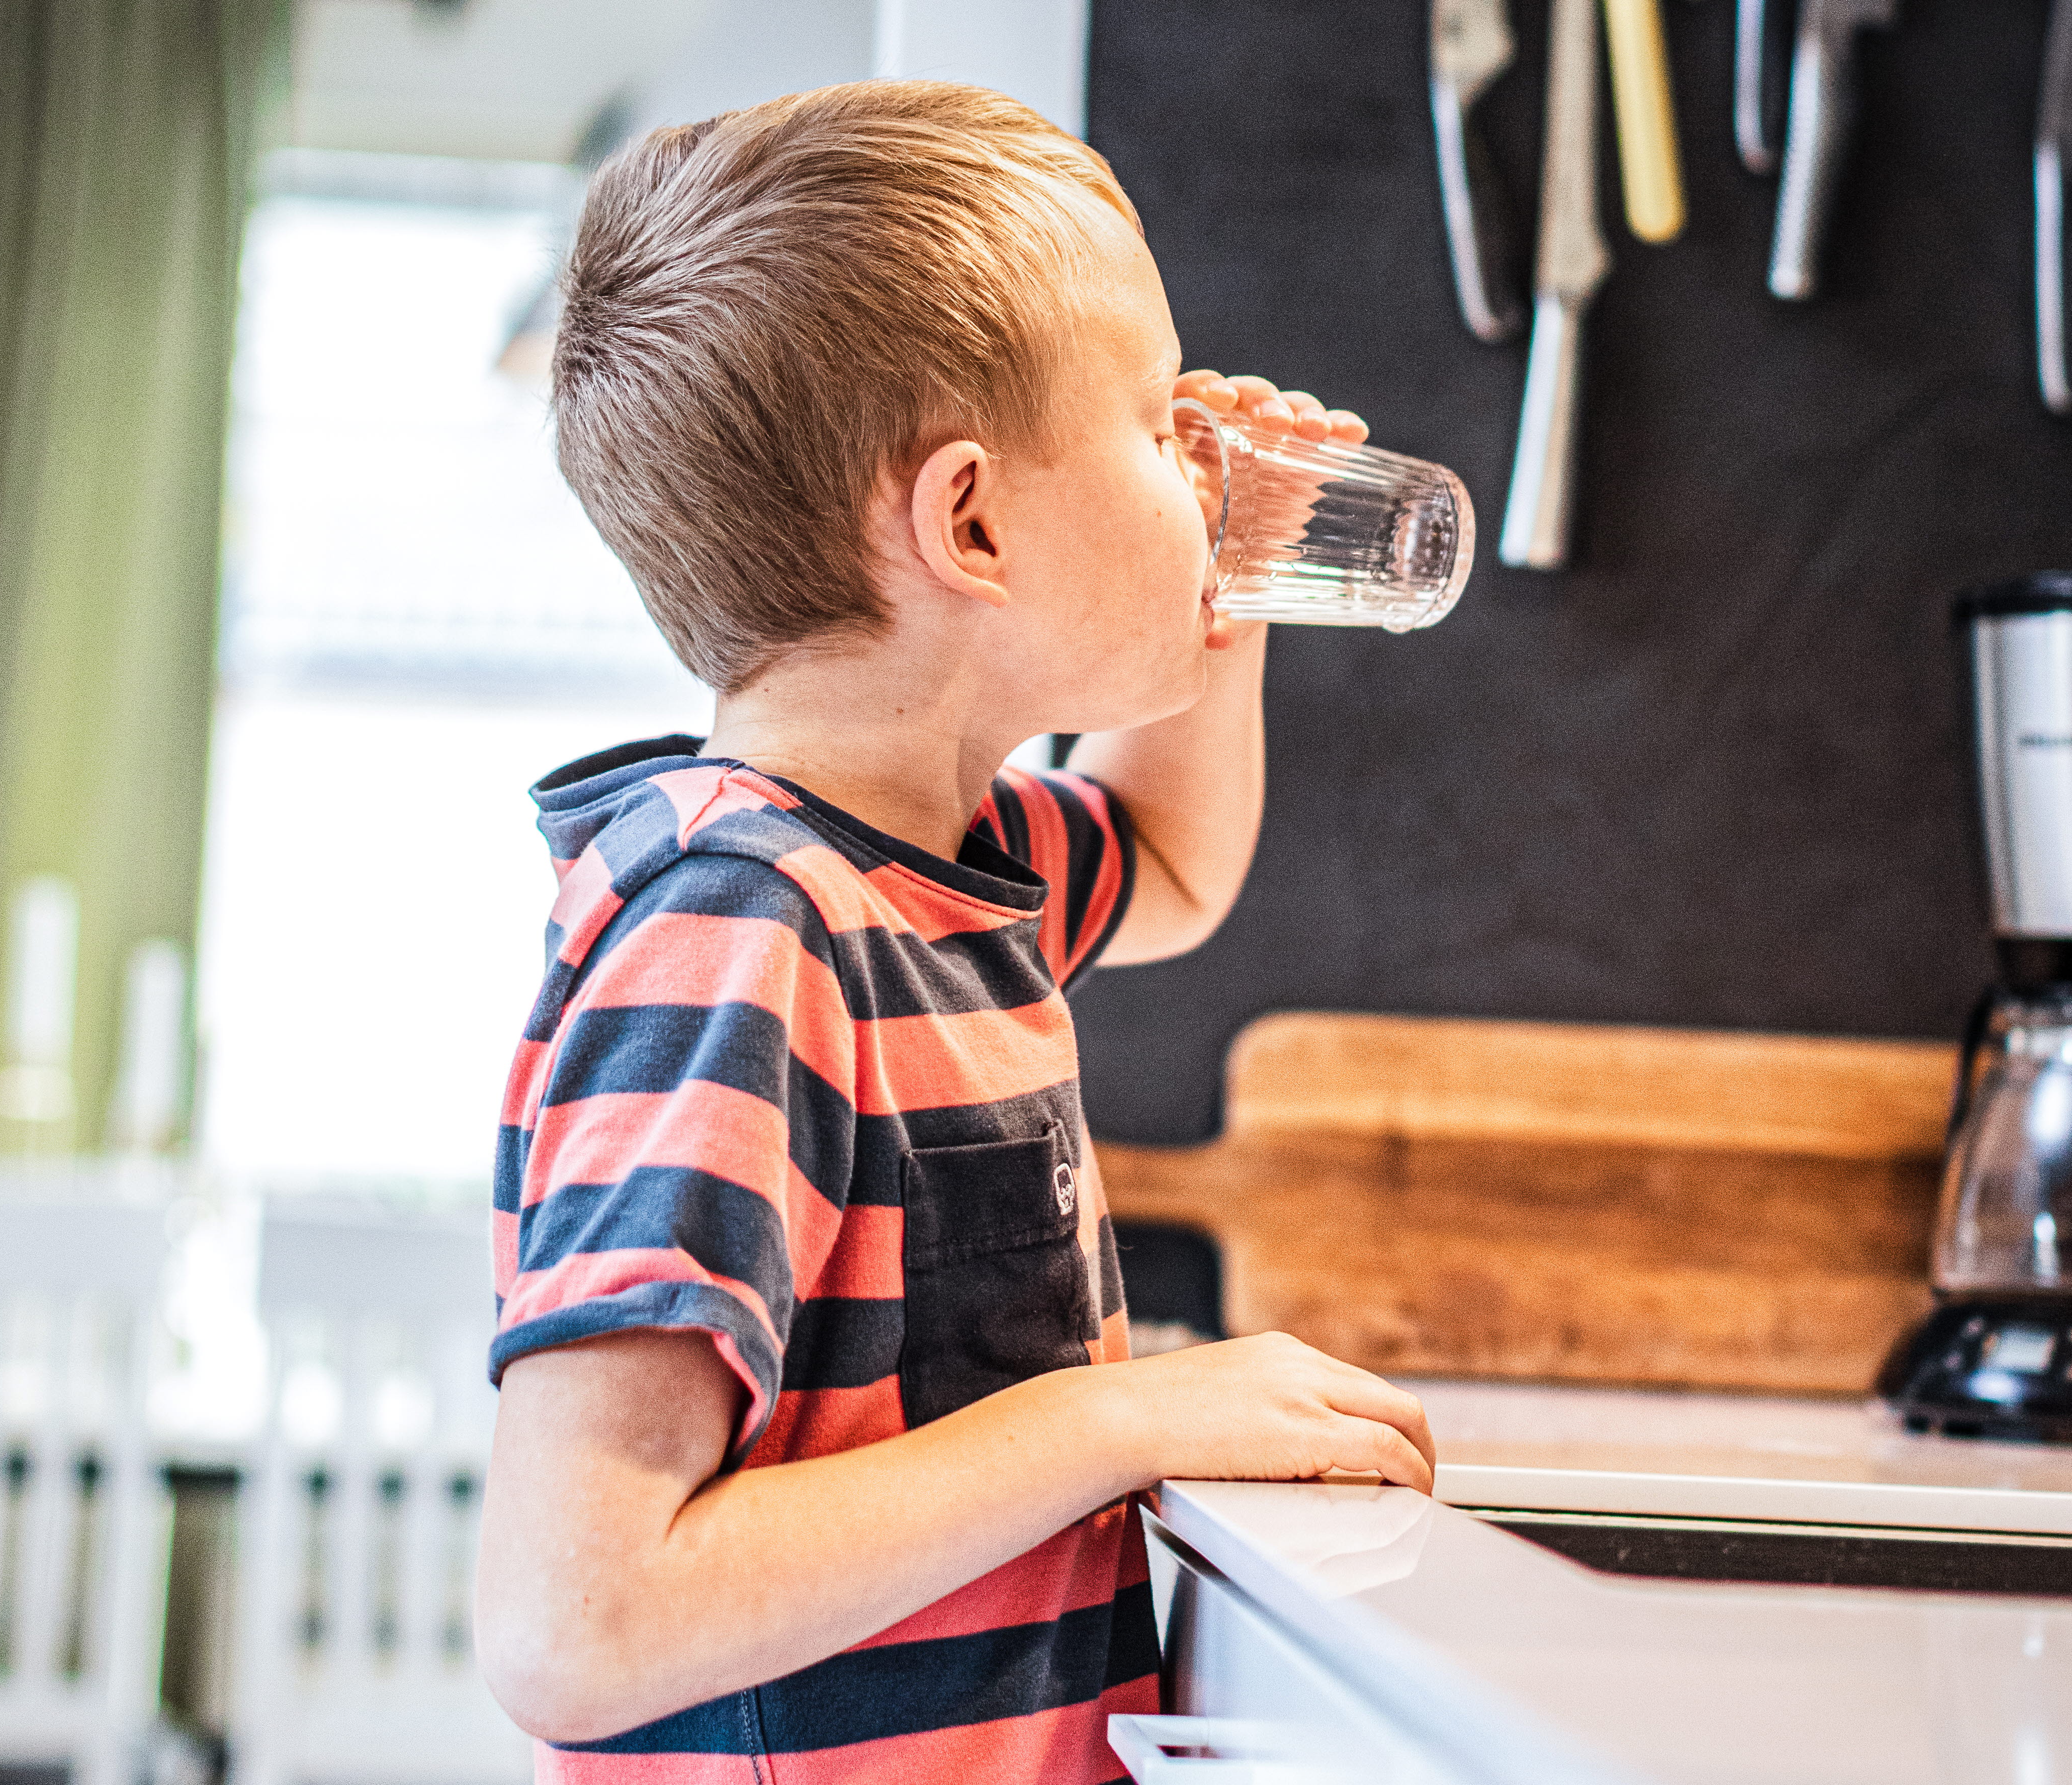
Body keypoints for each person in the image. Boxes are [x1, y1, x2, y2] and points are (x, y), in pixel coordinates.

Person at [473, 79, 1437, 1783]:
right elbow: (578, 1621)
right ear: (972, 522)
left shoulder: (940, 859)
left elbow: (1169, 858)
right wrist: (1114, 1415)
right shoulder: (739, 927)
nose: (1199, 468)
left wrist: (1242, 587)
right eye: (1158, 427)